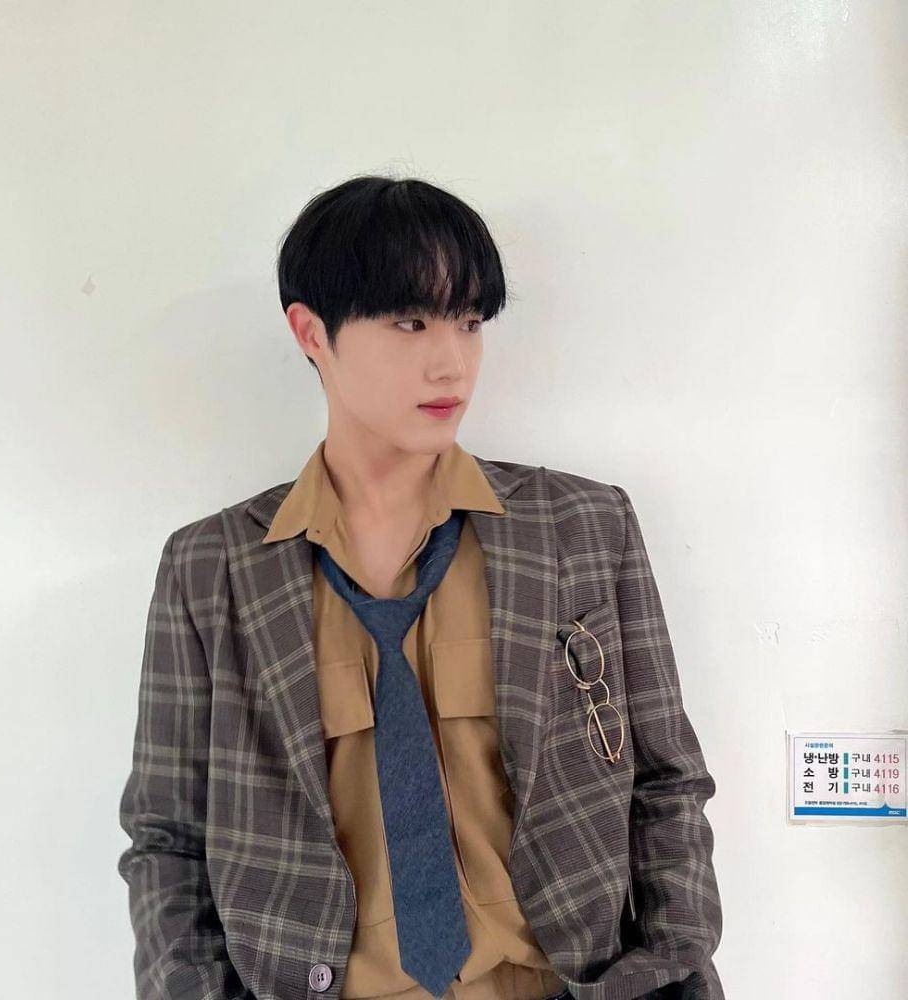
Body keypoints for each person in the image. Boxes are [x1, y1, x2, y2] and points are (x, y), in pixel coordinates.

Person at [117, 175, 725, 1000]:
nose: (452, 363)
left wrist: (668, 967)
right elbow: (168, 839)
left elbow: (665, 782)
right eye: (410, 322)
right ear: (311, 333)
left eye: (469, 323)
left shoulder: (580, 526)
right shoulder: (213, 569)